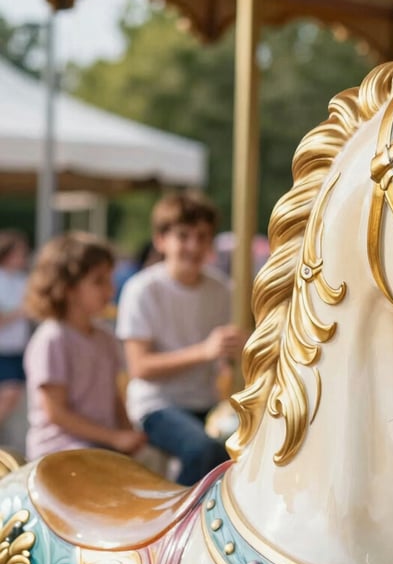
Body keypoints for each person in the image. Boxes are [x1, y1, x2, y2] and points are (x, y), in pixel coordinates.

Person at [116, 192, 246, 485]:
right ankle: (178, 523)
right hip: (157, 405)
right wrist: (205, 351)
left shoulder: (222, 289)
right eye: (183, 236)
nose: (193, 246)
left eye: (202, 237)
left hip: (206, 401)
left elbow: (227, 357)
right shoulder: (142, 289)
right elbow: (140, 367)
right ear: (161, 240)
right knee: (202, 450)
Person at [23, 232, 147, 460]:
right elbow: (56, 413)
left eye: (109, 279)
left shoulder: (105, 337)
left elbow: (113, 397)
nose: (110, 290)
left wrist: (127, 432)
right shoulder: (52, 339)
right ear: (68, 288)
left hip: (100, 446)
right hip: (59, 452)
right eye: (99, 281)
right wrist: (113, 437)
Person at [0, 230, 30, 426]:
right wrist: (21, 312)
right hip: (3, 349)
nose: (23, 258)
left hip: (18, 348)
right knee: (10, 393)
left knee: (13, 395)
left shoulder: (23, 280)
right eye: (20, 253)